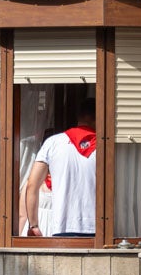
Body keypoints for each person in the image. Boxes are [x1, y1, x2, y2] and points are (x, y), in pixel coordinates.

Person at [24, 100, 96, 238]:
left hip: (62, 226)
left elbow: (32, 185)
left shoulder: (53, 142)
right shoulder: (106, 145)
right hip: (97, 227)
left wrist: (34, 225)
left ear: (79, 117)